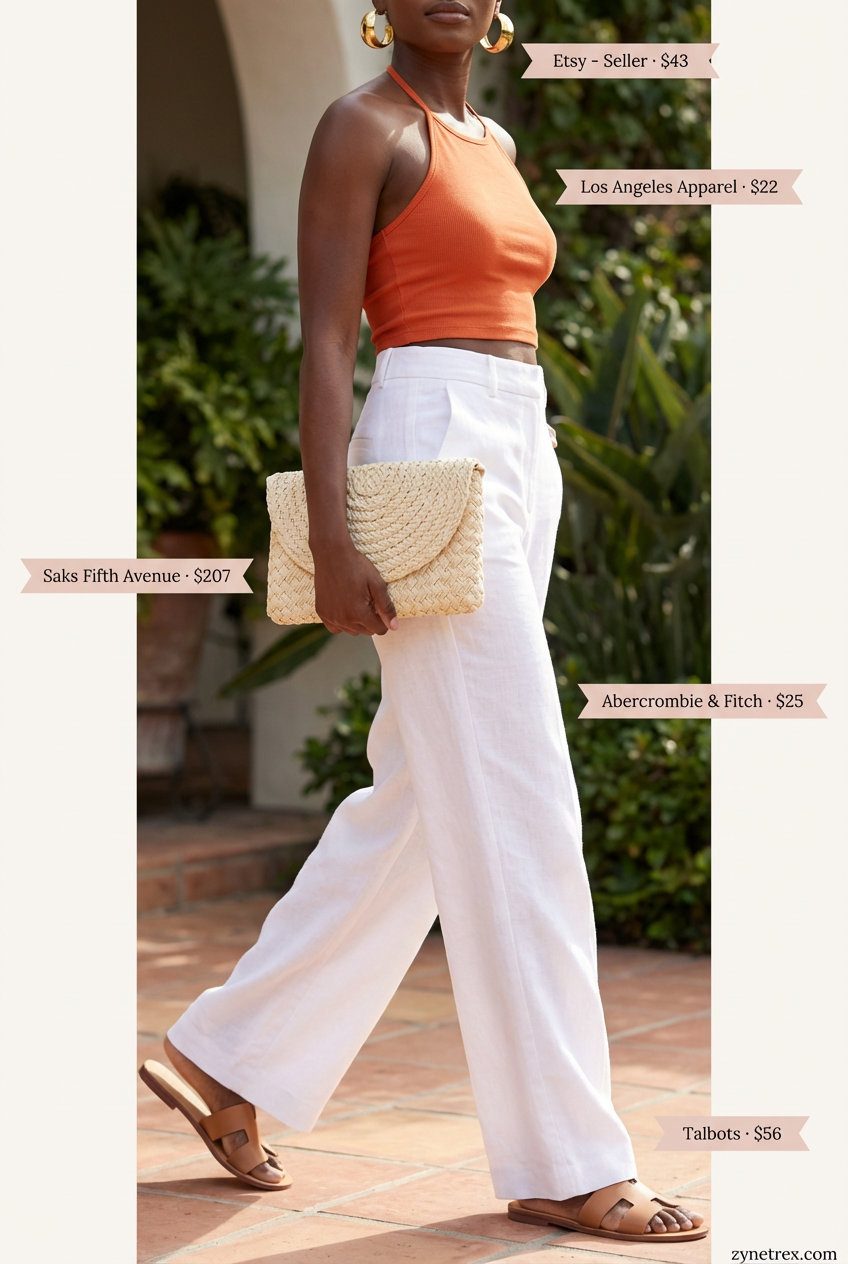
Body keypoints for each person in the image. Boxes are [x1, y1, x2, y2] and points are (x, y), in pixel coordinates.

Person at [140, 2, 707, 1243]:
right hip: (426, 440)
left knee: (419, 798)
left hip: (520, 445)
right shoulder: (361, 127)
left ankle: (228, 1058)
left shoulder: (491, 144)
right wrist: (335, 533)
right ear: (377, 4)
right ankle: (563, 1155)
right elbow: (329, 343)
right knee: (519, 796)